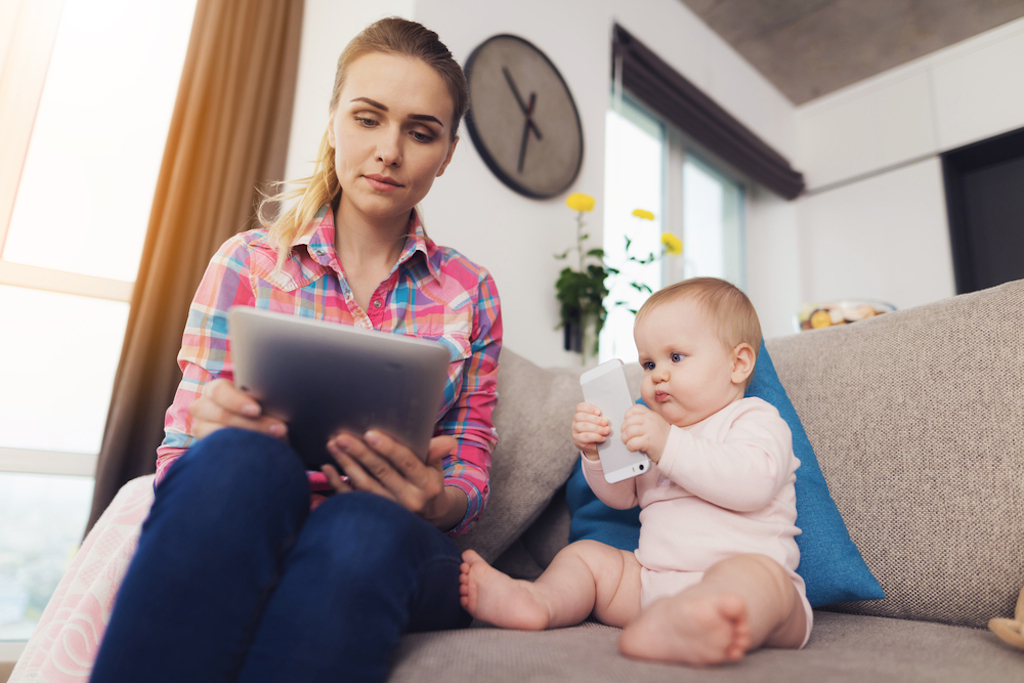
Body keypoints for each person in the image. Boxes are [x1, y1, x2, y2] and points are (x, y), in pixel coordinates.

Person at [89, 17, 501, 683]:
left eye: (420, 132)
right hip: (254, 505)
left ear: (446, 153)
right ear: (334, 120)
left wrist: (438, 501)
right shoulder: (247, 263)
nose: (389, 150)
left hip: (396, 534)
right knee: (243, 463)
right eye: (368, 118)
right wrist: (209, 429)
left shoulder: (471, 291)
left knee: (360, 525)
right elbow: (180, 454)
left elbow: (471, 457)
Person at [460, 277, 811, 666]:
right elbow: (623, 496)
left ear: (738, 363)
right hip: (652, 582)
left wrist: (668, 445)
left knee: (758, 577)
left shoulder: (754, 418)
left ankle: (697, 619)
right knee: (587, 558)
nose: (658, 374)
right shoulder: (654, 432)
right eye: (648, 363)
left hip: (751, 587)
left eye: (676, 357)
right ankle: (538, 601)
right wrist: (596, 455)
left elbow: (753, 484)